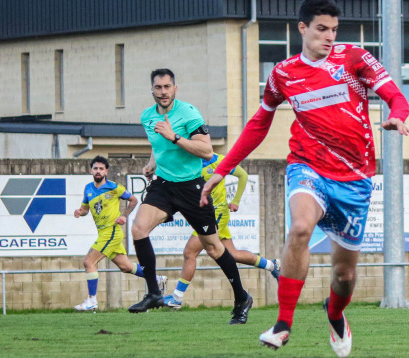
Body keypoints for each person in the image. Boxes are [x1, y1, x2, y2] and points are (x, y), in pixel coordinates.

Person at [202, 0, 409, 358]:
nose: (329, 36)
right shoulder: (283, 74)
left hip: (354, 179)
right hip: (307, 165)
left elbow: (395, 95)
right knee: (300, 227)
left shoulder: (354, 58)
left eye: (334, 29)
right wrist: (222, 170)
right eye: (321, 29)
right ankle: (283, 324)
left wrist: (398, 114)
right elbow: (258, 124)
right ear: (302, 28)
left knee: (344, 275)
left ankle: (334, 314)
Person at [128, 68, 253, 322]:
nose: (163, 92)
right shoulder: (146, 117)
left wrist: (174, 136)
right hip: (163, 184)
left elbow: (207, 151)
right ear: (151, 90)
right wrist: (152, 163)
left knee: (214, 248)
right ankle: (153, 292)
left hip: (191, 187)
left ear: (175, 89)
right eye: (158, 87)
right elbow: (156, 145)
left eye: (167, 87)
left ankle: (241, 297)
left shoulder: (188, 113)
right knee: (138, 229)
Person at [163, 153, 280, 308]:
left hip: (216, 214)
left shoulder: (217, 160)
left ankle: (177, 298)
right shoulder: (188, 162)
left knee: (189, 253)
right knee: (233, 254)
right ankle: (272, 266)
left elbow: (243, 175)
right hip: (204, 214)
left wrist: (236, 200)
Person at [72, 156, 165, 311]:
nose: (98, 171)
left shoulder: (113, 187)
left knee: (89, 262)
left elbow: (133, 200)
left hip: (111, 232)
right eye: (95, 168)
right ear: (91, 170)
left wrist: (124, 216)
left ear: (106, 171)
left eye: (101, 168)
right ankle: (157, 280)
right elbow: (85, 210)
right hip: (103, 232)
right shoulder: (88, 188)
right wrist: (79, 212)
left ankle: (92, 301)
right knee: (126, 267)